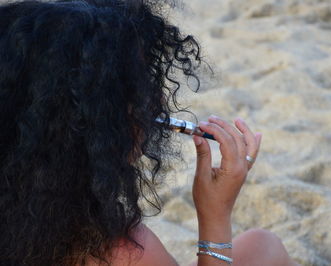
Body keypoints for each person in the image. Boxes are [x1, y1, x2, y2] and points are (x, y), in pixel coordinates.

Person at [0, 0, 299, 265]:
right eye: (138, 90)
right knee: (265, 248)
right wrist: (216, 215)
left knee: (261, 246)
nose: (155, 101)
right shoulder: (120, 252)